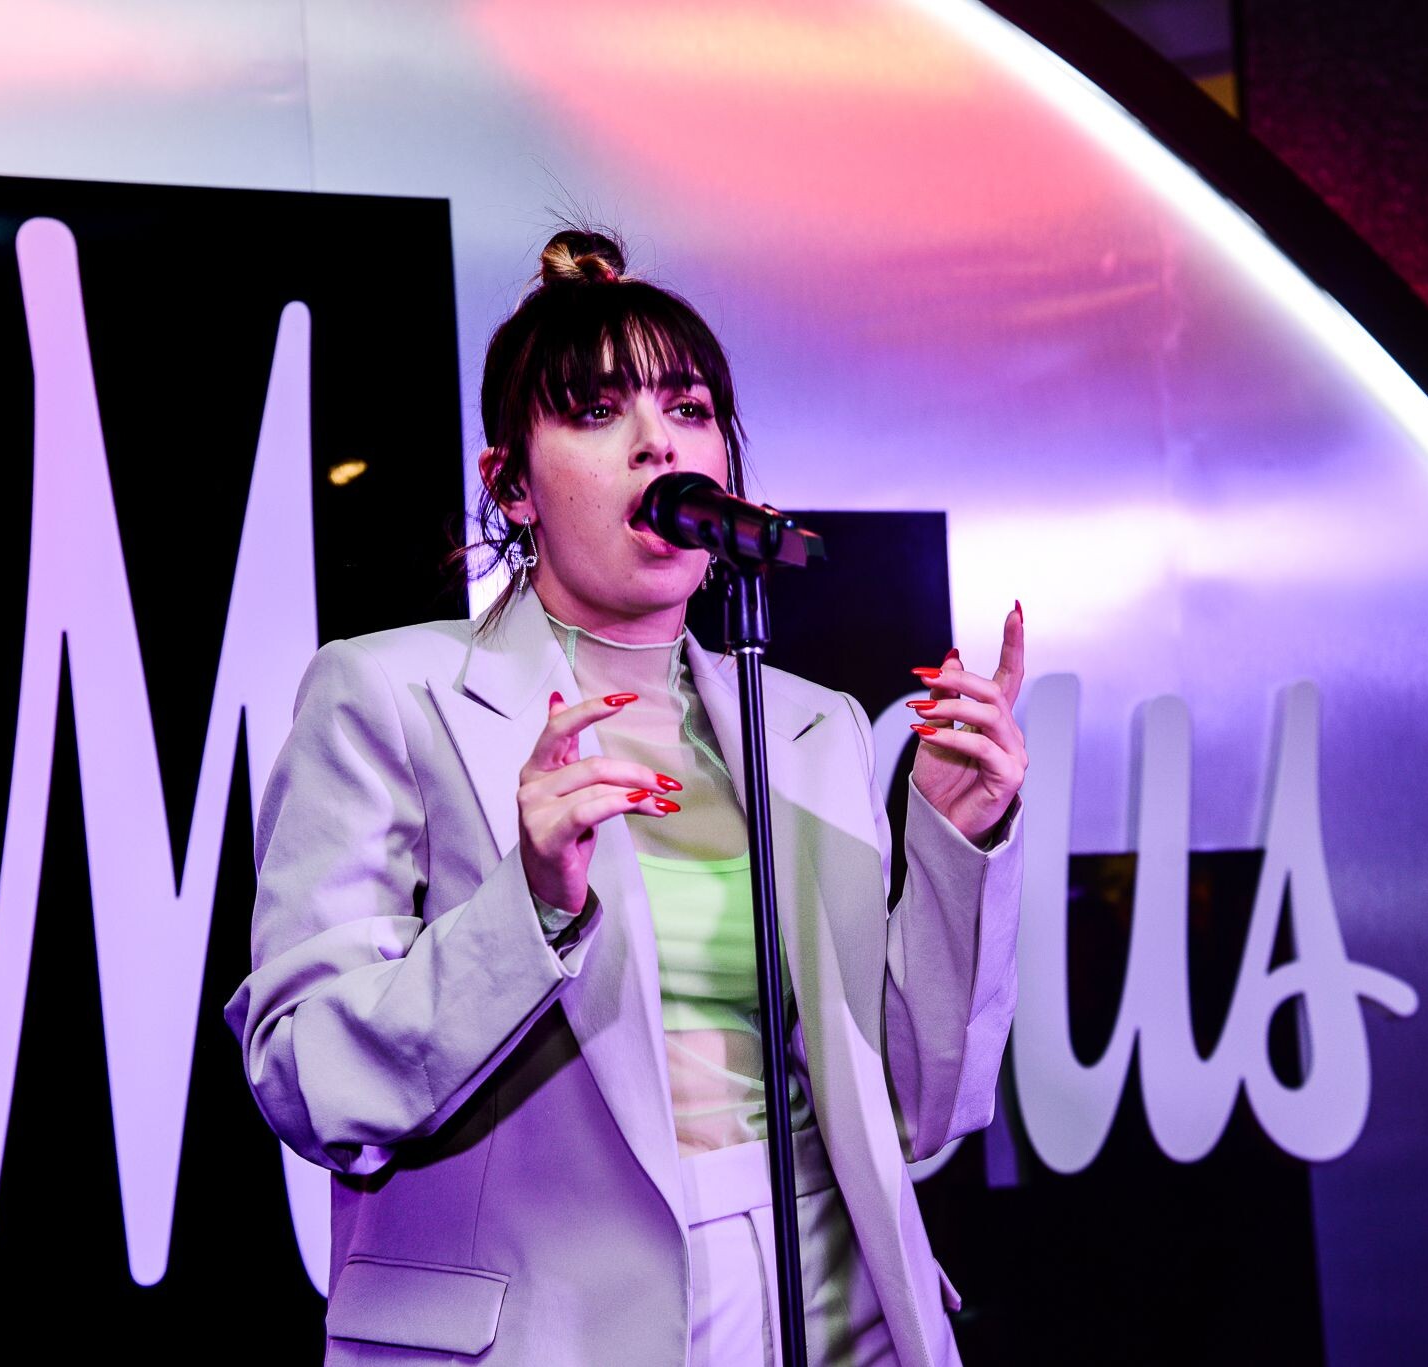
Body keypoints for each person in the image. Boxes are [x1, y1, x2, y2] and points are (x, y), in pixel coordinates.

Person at [224, 227, 1028, 1366]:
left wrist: (954, 836)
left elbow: (914, 1108)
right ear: (511, 484)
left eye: (689, 408)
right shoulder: (388, 694)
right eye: (598, 411)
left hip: (834, 1306)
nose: (658, 440)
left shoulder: (811, 726)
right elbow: (309, 1078)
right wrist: (530, 908)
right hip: (558, 1329)